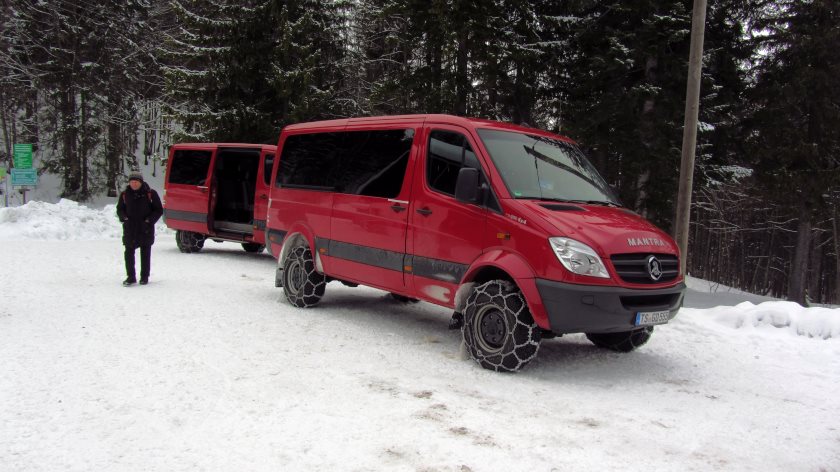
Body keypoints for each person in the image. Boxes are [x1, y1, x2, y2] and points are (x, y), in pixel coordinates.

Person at [117, 171, 163, 286]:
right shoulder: (124, 194)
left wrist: (149, 220)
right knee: (128, 253)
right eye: (132, 182)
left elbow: (158, 210)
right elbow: (120, 209)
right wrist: (124, 218)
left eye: (136, 182)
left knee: (145, 253)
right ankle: (131, 277)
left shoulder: (150, 193)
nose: (134, 184)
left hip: (145, 228)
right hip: (130, 228)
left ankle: (144, 277)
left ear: (141, 182)